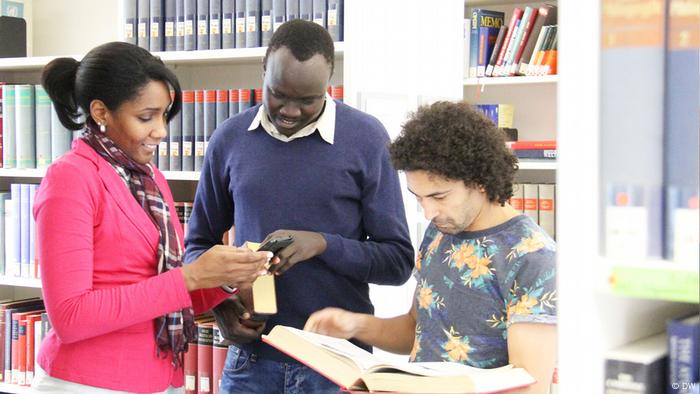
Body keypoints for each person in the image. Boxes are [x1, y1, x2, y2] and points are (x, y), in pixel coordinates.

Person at [184, 19, 414, 393]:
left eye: (307, 100)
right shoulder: (229, 139)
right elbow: (196, 246)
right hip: (251, 363)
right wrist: (221, 304)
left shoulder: (367, 139)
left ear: (329, 82)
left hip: (338, 364)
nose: (290, 110)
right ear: (263, 72)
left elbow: (398, 262)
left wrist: (323, 244)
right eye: (278, 94)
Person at [32, 41, 271, 394]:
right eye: (146, 117)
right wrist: (190, 277)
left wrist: (225, 279)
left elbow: (164, 291)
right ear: (101, 112)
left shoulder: (149, 179)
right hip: (87, 382)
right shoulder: (71, 178)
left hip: (159, 378)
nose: (160, 130)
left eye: (164, 115)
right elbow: (70, 316)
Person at [305, 101, 558, 394]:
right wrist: (354, 325)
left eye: (439, 196)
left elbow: (528, 387)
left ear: (480, 180)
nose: (428, 212)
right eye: (419, 198)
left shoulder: (533, 256)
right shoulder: (439, 234)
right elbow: (418, 330)